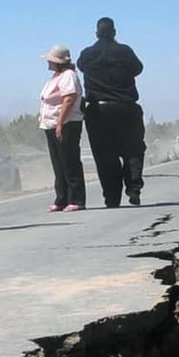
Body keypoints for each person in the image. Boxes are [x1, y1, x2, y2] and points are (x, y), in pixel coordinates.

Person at [76, 17, 145, 207]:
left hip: (98, 111)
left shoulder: (87, 54)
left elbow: (81, 66)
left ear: (96, 34)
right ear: (114, 33)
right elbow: (138, 69)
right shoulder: (125, 51)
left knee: (104, 156)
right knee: (133, 149)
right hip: (126, 107)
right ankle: (133, 188)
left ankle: (112, 197)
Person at [38, 45, 85, 212]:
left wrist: (60, 122)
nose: (49, 62)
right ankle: (61, 198)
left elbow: (69, 99)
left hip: (67, 124)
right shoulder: (55, 77)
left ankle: (76, 198)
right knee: (58, 163)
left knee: (69, 160)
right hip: (50, 124)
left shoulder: (68, 76)